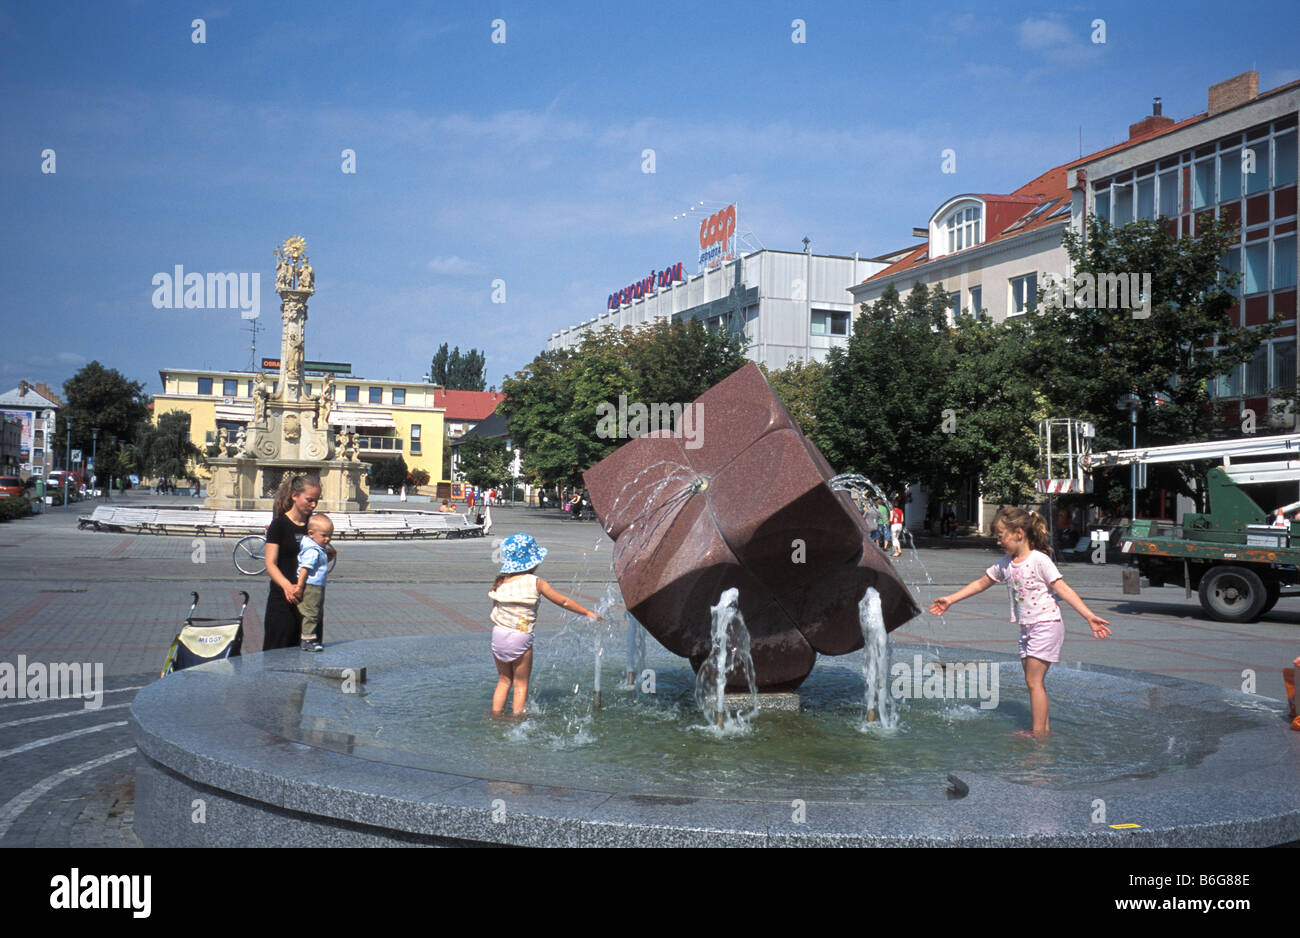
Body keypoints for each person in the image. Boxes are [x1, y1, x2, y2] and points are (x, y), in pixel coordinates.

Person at [928, 506, 1112, 738]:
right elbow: (981, 583)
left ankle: (1038, 733)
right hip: (1028, 628)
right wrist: (951, 599)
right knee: (1033, 682)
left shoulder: (1039, 560)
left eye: (1000, 536)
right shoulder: (1006, 563)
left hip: (1046, 624)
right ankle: (1042, 729)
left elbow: (1061, 588)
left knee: (1033, 682)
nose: (998, 542)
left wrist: (1088, 615)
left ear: (1018, 533)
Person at [489, 533, 598, 715]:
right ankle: (518, 720)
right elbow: (562, 601)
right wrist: (587, 612)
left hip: (498, 635)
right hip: (520, 637)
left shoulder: (501, 581)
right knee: (521, 683)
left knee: (504, 680)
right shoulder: (536, 582)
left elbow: (495, 608)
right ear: (532, 561)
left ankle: (495, 715)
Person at [263, 473, 334, 651]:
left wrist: (326, 555)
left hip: (309, 601)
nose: (313, 505)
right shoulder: (279, 525)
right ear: (294, 496)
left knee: (308, 654)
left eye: (316, 500)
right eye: (309, 500)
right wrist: (287, 586)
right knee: (278, 655)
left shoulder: (314, 526)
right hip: (284, 600)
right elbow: (270, 564)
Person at [295, 514, 333, 652]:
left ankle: (310, 638)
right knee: (311, 612)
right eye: (324, 535)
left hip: (317, 585)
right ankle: (307, 639)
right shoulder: (312, 550)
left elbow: (315, 567)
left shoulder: (316, 547)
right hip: (312, 586)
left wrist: (327, 558)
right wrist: (299, 586)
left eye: (330, 535)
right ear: (311, 534)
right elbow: (305, 568)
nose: (327, 539)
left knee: (315, 611)